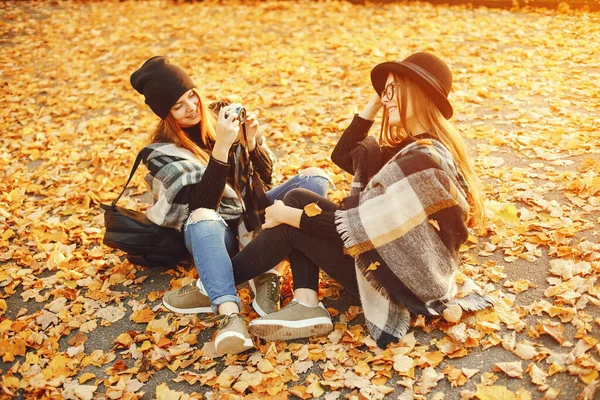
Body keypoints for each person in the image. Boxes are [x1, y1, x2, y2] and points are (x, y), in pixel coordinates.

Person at [230, 52, 492, 348]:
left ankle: (218, 286)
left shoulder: (422, 160)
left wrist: (287, 217)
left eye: (392, 90)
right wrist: (376, 102)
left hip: (403, 281)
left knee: (294, 220)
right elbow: (343, 155)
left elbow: (360, 228)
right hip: (397, 261)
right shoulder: (413, 148)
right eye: (384, 92)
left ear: (417, 93)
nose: (386, 98)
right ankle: (304, 302)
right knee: (298, 197)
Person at [129, 56, 331, 355]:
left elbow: (265, 180)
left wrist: (251, 143)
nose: (191, 108)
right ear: (165, 115)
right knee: (202, 218)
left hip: (253, 216)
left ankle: (225, 283)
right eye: (178, 106)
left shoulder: (219, 115)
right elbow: (202, 205)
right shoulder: (160, 153)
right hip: (215, 233)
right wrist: (222, 147)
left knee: (314, 180)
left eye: (191, 96)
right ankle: (230, 315)